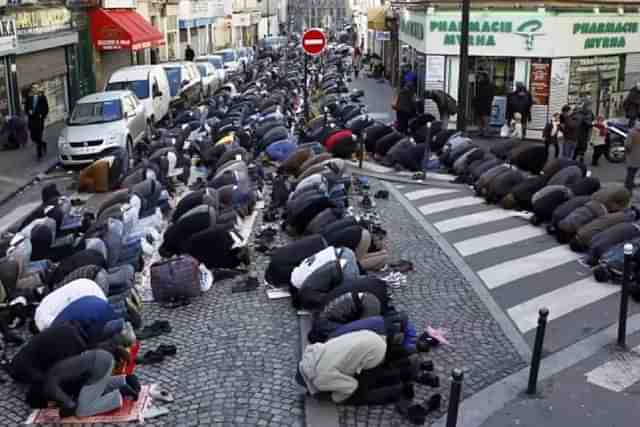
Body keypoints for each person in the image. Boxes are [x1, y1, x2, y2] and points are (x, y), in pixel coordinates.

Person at [24, 83, 49, 160]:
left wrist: (42, 115)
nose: (35, 89)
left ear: (38, 89)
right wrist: (29, 112)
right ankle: (43, 144)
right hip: (32, 120)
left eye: (36, 88)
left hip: (39, 120)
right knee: (33, 137)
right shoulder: (29, 98)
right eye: (34, 88)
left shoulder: (42, 97)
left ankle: (39, 154)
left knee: (39, 135)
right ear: (32, 89)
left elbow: (46, 108)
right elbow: (26, 109)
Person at [473, 72, 495, 136]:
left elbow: (489, 95)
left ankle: (485, 132)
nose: (479, 78)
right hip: (483, 104)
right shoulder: (481, 85)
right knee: (482, 119)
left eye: (481, 77)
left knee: (484, 119)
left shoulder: (482, 85)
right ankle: (483, 131)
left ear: (484, 77)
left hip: (484, 104)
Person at [574, 98, 595, 164]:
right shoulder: (586, 112)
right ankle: (578, 158)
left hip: (582, 131)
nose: (590, 106)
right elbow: (589, 122)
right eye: (589, 105)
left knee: (581, 145)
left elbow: (592, 119)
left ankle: (578, 157)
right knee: (581, 145)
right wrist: (592, 123)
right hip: (582, 131)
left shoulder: (579, 111)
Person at [625, 120, 640, 193]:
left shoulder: (632, 132)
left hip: (632, 156)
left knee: (630, 173)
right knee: (634, 172)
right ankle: (631, 184)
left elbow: (628, 145)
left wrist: (627, 152)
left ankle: (628, 188)